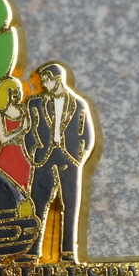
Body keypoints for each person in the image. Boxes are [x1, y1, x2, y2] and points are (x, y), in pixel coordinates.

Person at [24, 62, 95, 262]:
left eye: (45, 81)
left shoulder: (79, 104)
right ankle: (31, 251)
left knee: (70, 205)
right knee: (37, 204)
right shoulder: (34, 103)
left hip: (69, 159)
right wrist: (33, 153)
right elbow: (29, 131)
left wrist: (78, 158)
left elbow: (87, 135)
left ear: (57, 79)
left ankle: (68, 252)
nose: (42, 85)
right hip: (43, 158)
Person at [0, 77, 31, 190]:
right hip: (8, 155)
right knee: (4, 187)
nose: (18, 94)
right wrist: (22, 129)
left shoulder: (24, 110)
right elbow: (3, 139)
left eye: (18, 91)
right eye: (14, 91)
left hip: (24, 154)